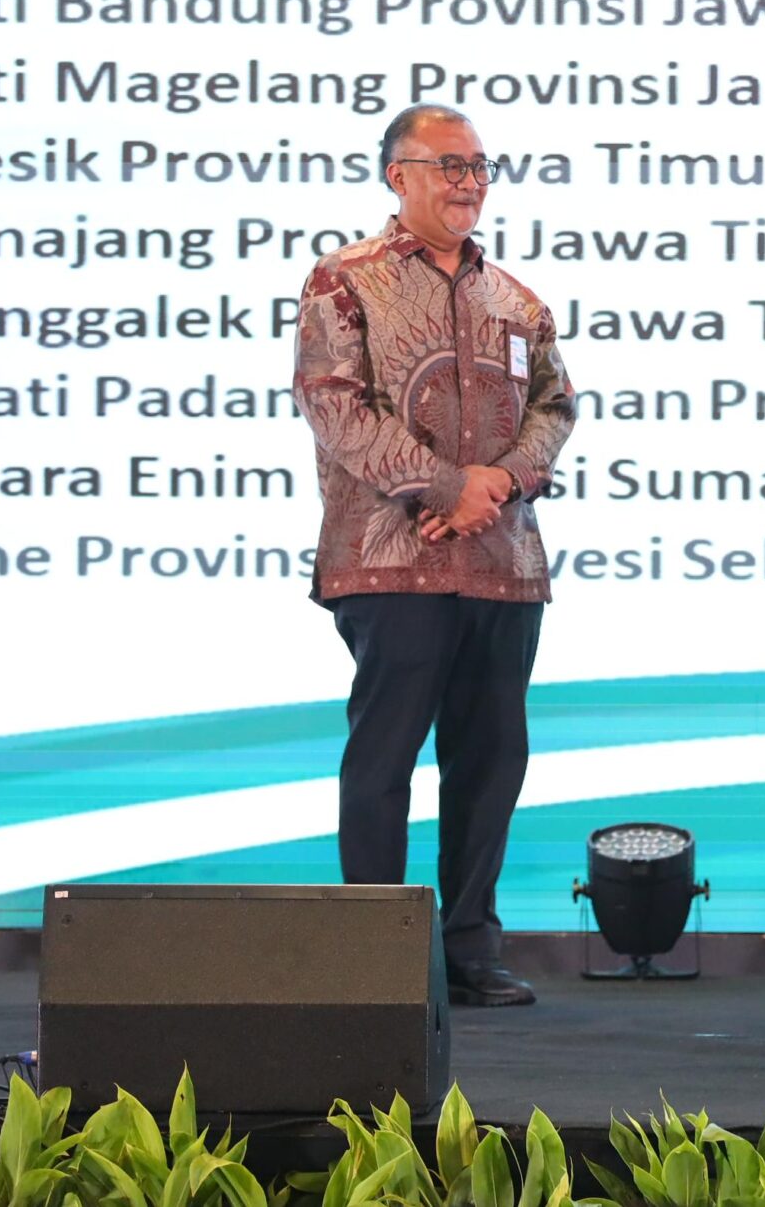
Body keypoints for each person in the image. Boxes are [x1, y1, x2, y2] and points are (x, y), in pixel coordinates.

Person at [292, 103, 575, 1006]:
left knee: (489, 761)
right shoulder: (345, 281)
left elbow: (556, 407)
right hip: (389, 558)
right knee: (385, 758)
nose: (468, 181)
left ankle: (470, 950)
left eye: (479, 166)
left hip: (503, 564)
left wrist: (504, 479)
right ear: (398, 176)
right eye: (449, 164)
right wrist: (447, 487)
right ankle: (377, 958)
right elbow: (334, 406)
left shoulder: (518, 301)